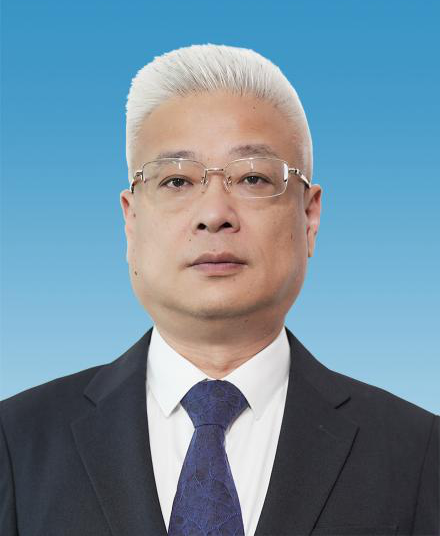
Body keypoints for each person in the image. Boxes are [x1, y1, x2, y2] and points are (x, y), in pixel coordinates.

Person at [0, 44, 438, 536]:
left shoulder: (420, 454)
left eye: (252, 177)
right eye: (176, 181)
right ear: (131, 220)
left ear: (309, 216)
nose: (214, 214)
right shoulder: (15, 442)